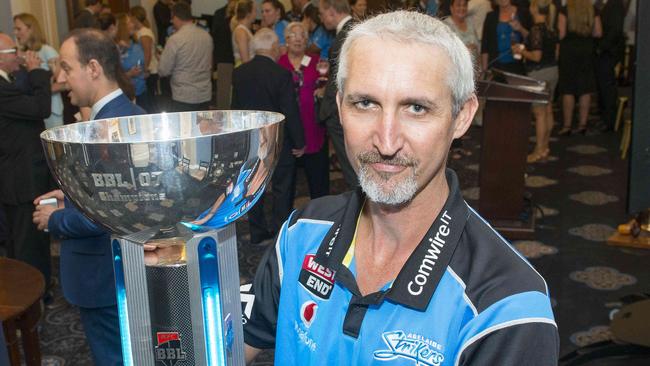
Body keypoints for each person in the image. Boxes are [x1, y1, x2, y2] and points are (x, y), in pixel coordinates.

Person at [242, 11, 559, 365]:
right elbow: (229, 347)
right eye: (365, 103)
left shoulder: (506, 305)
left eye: (417, 108)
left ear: (462, 116)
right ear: (339, 107)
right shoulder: (299, 234)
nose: (387, 141)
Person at [32, 28, 145, 366]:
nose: (61, 78)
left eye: (66, 68)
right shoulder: (132, 115)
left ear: (93, 68)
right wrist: (71, 198)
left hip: (105, 277)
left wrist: (56, 218)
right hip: (124, 272)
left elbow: (110, 214)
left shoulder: (103, 131)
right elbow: (120, 197)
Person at [231, 28, 305, 245]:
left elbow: (235, 110)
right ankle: (280, 230)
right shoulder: (281, 74)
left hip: (252, 139)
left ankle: (256, 232)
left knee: (253, 185)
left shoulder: (240, 72)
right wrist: (299, 142)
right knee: (282, 186)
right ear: (274, 48)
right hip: (278, 140)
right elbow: (289, 111)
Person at [0, 32, 52, 294]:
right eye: (14, 52)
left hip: (23, 174)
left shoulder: (8, 82)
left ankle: (39, 290)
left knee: (31, 239)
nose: (20, 56)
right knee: (26, 244)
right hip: (20, 179)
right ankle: (31, 297)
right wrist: (37, 71)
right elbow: (41, 107)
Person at [279, 22, 329, 199]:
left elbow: (328, 86)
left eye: (302, 35)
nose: (298, 39)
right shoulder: (279, 63)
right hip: (289, 131)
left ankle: (323, 215)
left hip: (313, 127)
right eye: (294, 35)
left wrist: (324, 90)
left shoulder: (317, 63)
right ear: (286, 40)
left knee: (318, 181)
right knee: (286, 184)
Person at [511, 0, 558, 162]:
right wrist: (522, 30)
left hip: (539, 74)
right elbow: (539, 43)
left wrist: (521, 52)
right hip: (553, 71)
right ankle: (545, 147)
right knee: (548, 110)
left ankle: (538, 151)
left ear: (534, 8)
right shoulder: (550, 28)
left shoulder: (537, 29)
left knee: (539, 113)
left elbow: (537, 56)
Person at [318, 0, 357, 189]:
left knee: (351, 168)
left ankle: (359, 212)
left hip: (340, 110)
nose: (321, 18)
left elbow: (344, 79)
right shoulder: (354, 29)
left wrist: (329, 110)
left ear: (331, 11)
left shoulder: (346, 35)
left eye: (322, 13)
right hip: (348, 107)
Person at [158, 1, 213, 112]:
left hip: (183, 95)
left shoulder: (175, 39)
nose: (171, 21)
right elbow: (210, 63)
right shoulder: (206, 36)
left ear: (176, 17)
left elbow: (163, 70)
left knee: (185, 128)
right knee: (202, 127)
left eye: (172, 18)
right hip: (204, 93)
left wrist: (160, 58)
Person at [557, 0, 602, 135]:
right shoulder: (592, 9)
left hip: (568, 52)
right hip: (586, 51)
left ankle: (567, 126)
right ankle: (582, 124)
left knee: (568, 89)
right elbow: (598, 33)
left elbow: (561, 33)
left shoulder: (565, 10)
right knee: (585, 89)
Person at [13, 13, 65, 129]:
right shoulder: (24, 54)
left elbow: (65, 83)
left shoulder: (47, 51)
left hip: (52, 110)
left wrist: (41, 89)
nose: (15, 33)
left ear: (31, 29)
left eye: (18, 29)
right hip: (35, 110)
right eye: (14, 29)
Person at [594, 0, 625, 132]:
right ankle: (605, 116)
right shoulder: (601, 4)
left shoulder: (615, 4)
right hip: (603, 51)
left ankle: (610, 121)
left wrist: (601, 47)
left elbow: (616, 30)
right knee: (602, 86)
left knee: (607, 87)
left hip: (609, 51)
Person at [481, 0, 532, 74]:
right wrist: (484, 70)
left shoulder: (523, 13)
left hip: (518, 66)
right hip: (496, 67)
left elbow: (532, 39)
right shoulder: (490, 16)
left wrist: (520, 28)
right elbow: (485, 46)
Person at [115, 14, 148, 110]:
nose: (133, 24)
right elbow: (113, 77)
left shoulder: (137, 43)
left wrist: (145, 70)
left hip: (142, 91)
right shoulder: (116, 48)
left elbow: (143, 62)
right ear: (122, 27)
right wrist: (130, 74)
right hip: (126, 95)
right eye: (129, 22)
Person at [130, 6, 159, 112]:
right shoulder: (141, 31)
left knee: (150, 101)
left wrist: (144, 69)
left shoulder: (144, 33)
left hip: (149, 71)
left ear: (134, 17)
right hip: (147, 70)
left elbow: (147, 53)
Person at [211, 0, 237, 66]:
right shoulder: (219, 13)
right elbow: (214, 35)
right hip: (222, 56)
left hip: (234, 56)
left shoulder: (240, 15)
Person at [231, 0, 256, 67]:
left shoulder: (245, 30)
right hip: (244, 71)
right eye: (254, 11)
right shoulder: (241, 32)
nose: (255, 14)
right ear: (248, 14)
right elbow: (245, 61)